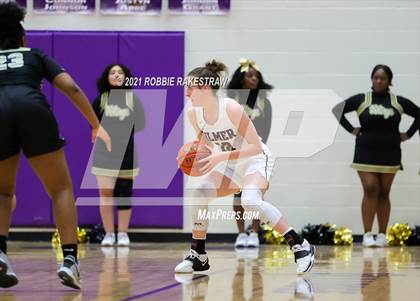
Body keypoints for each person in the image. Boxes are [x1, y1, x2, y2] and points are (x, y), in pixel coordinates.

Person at [0, 2, 111, 289]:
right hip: (32, 108)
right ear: (22, 38)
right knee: (60, 188)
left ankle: (0, 253)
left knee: (2, 191)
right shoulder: (35, 55)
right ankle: (70, 260)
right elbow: (71, 87)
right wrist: (94, 123)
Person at [175, 60, 315, 274]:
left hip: (256, 159)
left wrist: (219, 156)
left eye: (190, 88)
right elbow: (207, 147)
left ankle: (300, 246)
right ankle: (198, 255)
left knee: (250, 201)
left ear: (205, 88)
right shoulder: (194, 114)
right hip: (230, 164)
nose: (186, 93)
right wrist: (191, 160)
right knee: (199, 191)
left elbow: (255, 146)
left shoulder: (230, 107)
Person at [333, 64, 419, 247]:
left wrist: (409, 134)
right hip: (365, 151)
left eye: (383, 78)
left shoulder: (397, 101)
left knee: (384, 192)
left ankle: (381, 234)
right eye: (376, 77)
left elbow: (418, 113)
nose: (378, 81)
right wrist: (352, 130)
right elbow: (337, 109)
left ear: (389, 81)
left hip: (390, 152)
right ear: (371, 79)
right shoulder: (362, 99)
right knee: (371, 188)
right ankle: (367, 234)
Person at [91, 64, 145, 247]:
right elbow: (93, 125)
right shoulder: (100, 100)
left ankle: (122, 234)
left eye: (120, 72)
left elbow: (141, 124)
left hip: (126, 154)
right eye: (112, 72)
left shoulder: (132, 100)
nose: (116, 75)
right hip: (103, 154)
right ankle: (108, 234)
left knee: (124, 193)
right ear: (106, 77)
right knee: (105, 194)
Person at [227, 58, 273, 248]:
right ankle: (240, 234)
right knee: (237, 194)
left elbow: (266, 130)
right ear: (241, 79)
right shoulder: (232, 102)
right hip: (236, 153)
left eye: (256, 76)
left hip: (256, 152)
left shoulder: (264, 103)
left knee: (255, 194)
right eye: (249, 76)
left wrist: (258, 151)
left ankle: (254, 232)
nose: (254, 79)